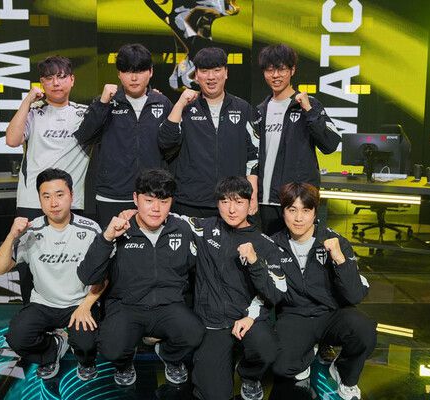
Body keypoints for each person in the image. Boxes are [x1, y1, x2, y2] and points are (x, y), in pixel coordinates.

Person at [78, 169, 205, 387]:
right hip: (127, 306)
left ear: (171, 202)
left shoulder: (182, 229)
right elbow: (88, 275)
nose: (156, 208)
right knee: (111, 348)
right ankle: (125, 362)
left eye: (163, 202)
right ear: (135, 199)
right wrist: (107, 238)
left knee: (194, 333)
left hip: (168, 305)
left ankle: (168, 355)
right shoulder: (120, 229)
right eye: (148, 200)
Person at [263, 182, 375, 400]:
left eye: (306, 210)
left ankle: (343, 374)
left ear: (315, 212)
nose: (298, 218)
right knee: (282, 367)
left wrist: (339, 259)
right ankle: (307, 353)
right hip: (295, 316)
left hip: (331, 313)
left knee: (364, 331)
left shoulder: (335, 241)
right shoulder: (272, 245)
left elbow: (354, 295)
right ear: (283, 211)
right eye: (292, 210)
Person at [0, 168, 105, 381]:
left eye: (59, 195)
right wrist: (11, 235)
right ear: (40, 200)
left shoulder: (91, 230)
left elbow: (104, 276)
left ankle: (85, 360)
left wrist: (86, 305)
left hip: (78, 303)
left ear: (71, 195)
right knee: (17, 338)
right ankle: (52, 350)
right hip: (43, 303)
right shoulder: (31, 230)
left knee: (86, 343)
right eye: (46, 196)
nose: (53, 203)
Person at [180, 176, 286, 400]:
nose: (231, 209)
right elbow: (165, 215)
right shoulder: (203, 228)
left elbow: (276, 294)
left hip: (247, 318)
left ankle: (249, 375)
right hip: (212, 322)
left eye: (238, 202)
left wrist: (255, 263)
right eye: (225, 201)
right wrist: (131, 213)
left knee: (266, 349)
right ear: (217, 203)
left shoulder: (265, 244)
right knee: (214, 395)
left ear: (250, 203)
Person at [5, 55, 90, 304]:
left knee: (70, 265)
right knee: (29, 266)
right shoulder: (33, 113)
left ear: (72, 80)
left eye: (61, 77)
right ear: (41, 83)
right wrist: (27, 101)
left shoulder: (85, 114)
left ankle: (71, 314)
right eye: (49, 78)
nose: (56, 83)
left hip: (72, 202)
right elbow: (11, 140)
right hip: (32, 201)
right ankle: (32, 313)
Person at [74, 43, 173, 227]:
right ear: (119, 74)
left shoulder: (163, 103)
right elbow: (85, 137)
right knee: (111, 243)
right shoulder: (106, 102)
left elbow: (172, 147)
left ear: (150, 72)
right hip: (112, 195)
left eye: (140, 71)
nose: (133, 78)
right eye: (127, 71)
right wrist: (102, 103)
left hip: (151, 196)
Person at [159, 47, 259, 218]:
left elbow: (253, 155)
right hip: (189, 202)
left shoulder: (243, 109)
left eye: (217, 70)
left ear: (226, 73)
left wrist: (253, 193)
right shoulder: (185, 108)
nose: (211, 77)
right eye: (204, 71)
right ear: (196, 76)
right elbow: (165, 141)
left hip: (231, 203)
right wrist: (180, 104)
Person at [255, 44, 341, 235]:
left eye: (281, 69)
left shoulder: (309, 105)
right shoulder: (260, 110)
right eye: (269, 70)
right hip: (264, 202)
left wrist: (309, 111)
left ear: (292, 70)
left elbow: (331, 144)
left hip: (297, 202)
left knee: (300, 252)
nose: (275, 75)